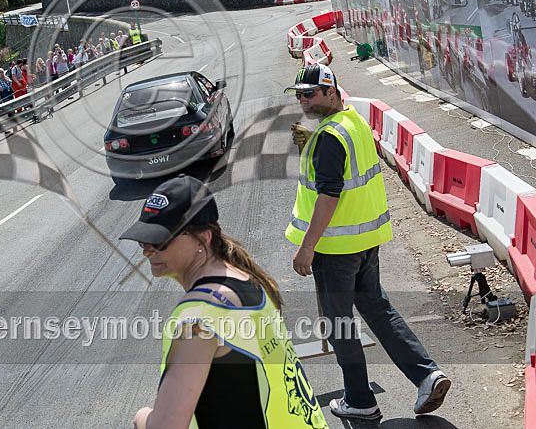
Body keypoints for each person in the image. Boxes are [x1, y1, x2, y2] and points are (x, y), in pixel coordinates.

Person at [285, 64, 450, 420]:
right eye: (298, 94)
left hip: (334, 249)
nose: (302, 100)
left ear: (331, 91)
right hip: (365, 241)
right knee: (377, 308)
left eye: (310, 93)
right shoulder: (352, 122)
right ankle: (426, 374)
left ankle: (360, 400)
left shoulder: (328, 137)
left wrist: (306, 247)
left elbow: (329, 194)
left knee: (340, 324)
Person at [125, 175, 328, 429]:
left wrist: (141, 417)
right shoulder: (248, 279)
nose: (148, 250)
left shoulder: (199, 317)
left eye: (160, 241)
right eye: (144, 241)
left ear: (204, 239)